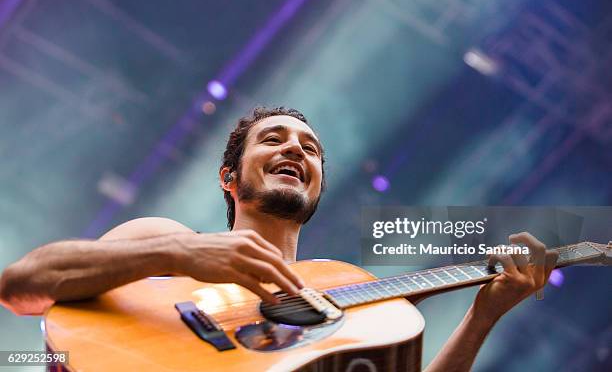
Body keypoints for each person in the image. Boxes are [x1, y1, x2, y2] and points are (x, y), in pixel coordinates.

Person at [0, 106, 558, 371]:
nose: (296, 149)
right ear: (229, 178)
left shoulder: (347, 301)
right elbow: (22, 286)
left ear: (316, 188)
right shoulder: (164, 240)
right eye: (274, 138)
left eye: (311, 149)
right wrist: (177, 253)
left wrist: (484, 316)